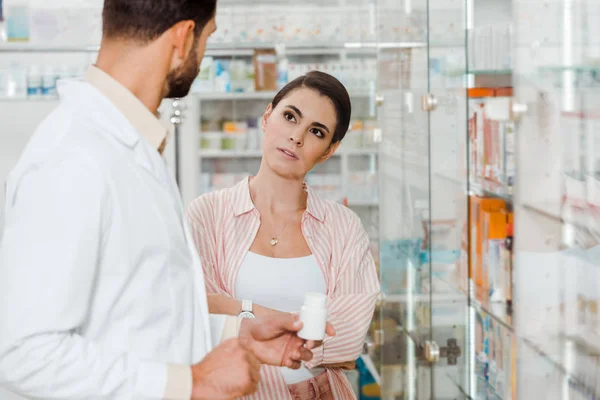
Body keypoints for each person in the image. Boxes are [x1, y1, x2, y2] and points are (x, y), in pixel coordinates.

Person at [0, 1, 331, 399]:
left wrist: (238, 332)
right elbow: (20, 352)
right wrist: (191, 383)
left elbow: (136, 315)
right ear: (182, 38)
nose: (203, 52)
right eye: (207, 38)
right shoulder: (74, 158)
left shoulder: (129, 145)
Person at [186, 71, 380, 400]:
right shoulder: (206, 214)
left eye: (316, 131)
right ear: (267, 116)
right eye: (290, 117)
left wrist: (237, 312)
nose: (297, 137)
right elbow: (194, 316)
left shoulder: (342, 226)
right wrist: (290, 322)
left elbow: (350, 336)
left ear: (329, 150)